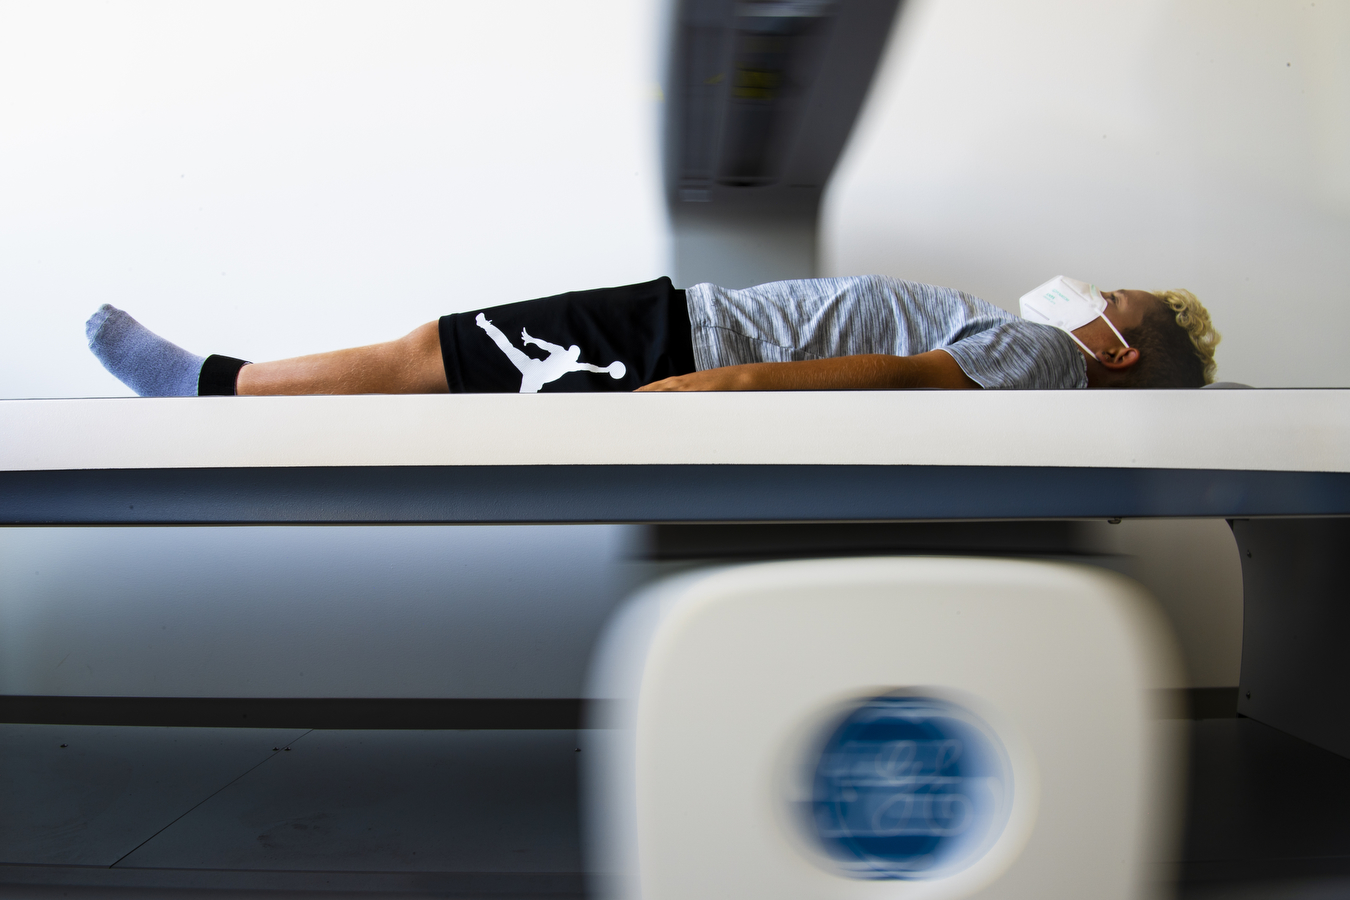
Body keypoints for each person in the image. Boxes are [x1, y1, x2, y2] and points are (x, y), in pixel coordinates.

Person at [84, 275, 1219, 397]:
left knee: (435, 353)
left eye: (1104, 298)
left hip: (687, 337)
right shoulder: (1043, 362)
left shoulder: (1041, 357)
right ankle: (213, 379)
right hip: (690, 330)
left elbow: (893, 372)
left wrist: (727, 386)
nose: (1080, 290)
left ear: (1111, 349)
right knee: (435, 352)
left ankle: (208, 386)